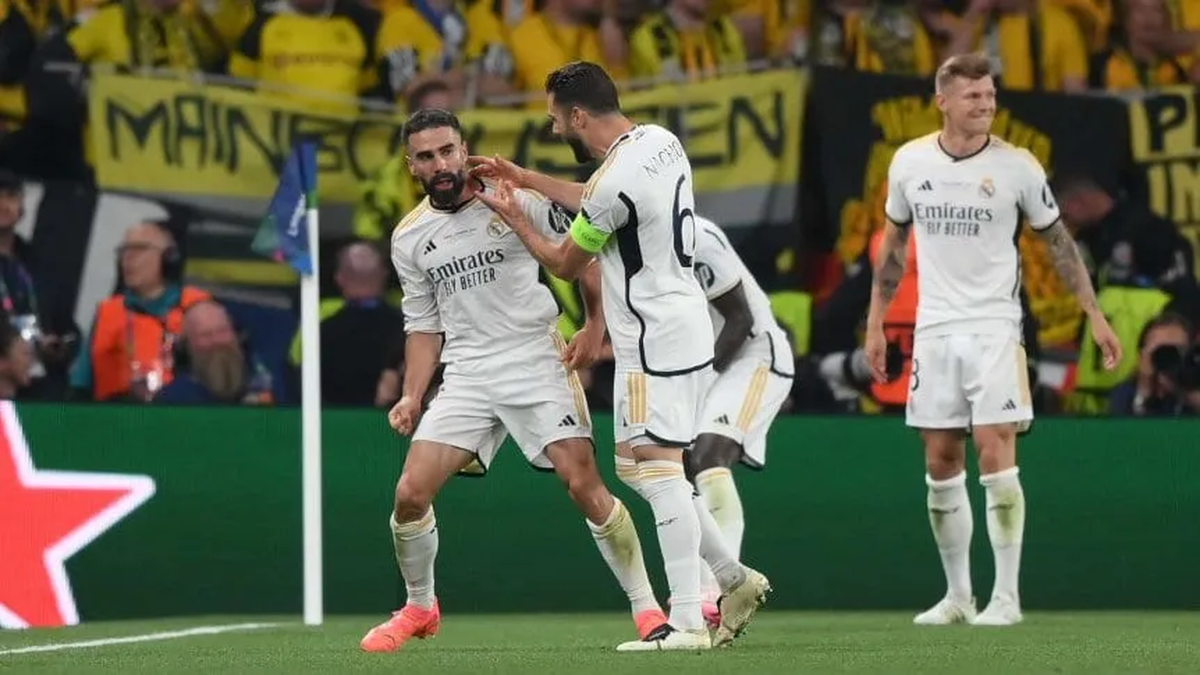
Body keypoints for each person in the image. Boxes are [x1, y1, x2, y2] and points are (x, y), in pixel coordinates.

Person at [468, 60, 768, 651]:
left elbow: (562, 262)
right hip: (669, 326)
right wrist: (525, 178)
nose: (556, 130)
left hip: (656, 336)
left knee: (658, 471)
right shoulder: (657, 141)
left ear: (579, 115)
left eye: (557, 120)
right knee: (637, 465)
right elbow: (597, 197)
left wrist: (512, 214)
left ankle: (686, 620)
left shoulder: (613, 184)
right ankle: (734, 578)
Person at [359, 108, 670, 653]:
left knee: (582, 483)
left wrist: (595, 325)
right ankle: (420, 606)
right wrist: (412, 395)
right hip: (468, 372)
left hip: (534, 357)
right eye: (427, 156)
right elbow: (423, 324)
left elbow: (585, 256)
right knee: (409, 494)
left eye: (448, 150)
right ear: (413, 166)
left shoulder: (513, 195)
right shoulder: (410, 236)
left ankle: (648, 609)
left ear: (464, 148)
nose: (441, 163)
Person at [865, 52, 1122, 627]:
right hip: (934, 330)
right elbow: (893, 248)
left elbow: (1059, 245)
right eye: (973, 97)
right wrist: (876, 321)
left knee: (995, 449)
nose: (985, 106)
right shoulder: (909, 163)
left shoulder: (1018, 167)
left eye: (990, 96)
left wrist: (1094, 314)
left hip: (995, 327)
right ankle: (959, 596)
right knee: (940, 458)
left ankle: (1005, 597)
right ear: (943, 101)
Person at [687, 216, 794, 616]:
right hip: (701, 362)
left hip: (754, 355)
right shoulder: (636, 242)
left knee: (708, 458)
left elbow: (740, 319)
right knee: (678, 470)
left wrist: (697, 383)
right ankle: (697, 593)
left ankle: (723, 589)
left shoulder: (698, 236)